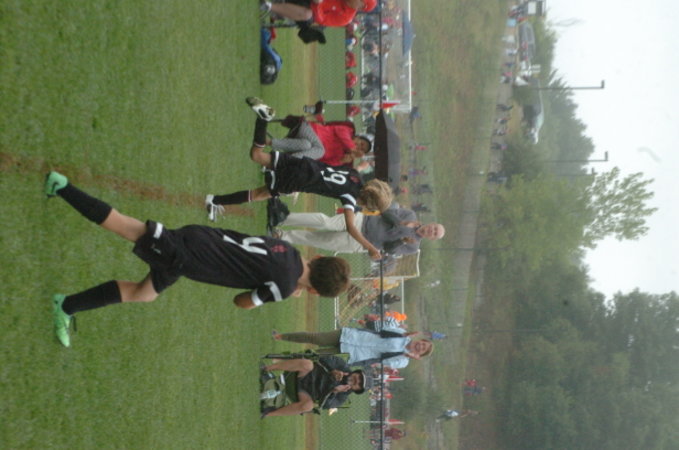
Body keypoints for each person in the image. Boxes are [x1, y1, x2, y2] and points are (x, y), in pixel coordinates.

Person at [43, 171, 352, 347]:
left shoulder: (290, 252)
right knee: (126, 226)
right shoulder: (283, 286)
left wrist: (289, 284)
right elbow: (242, 302)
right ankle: (61, 186)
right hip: (191, 257)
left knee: (145, 293)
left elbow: (261, 260)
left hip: (202, 239)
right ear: (314, 292)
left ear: (319, 257)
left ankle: (67, 305)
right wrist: (283, 291)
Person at [205, 98, 394, 260]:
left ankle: (263, 119)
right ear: (368, 203)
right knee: (259, 194)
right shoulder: (351, 197)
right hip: (299, 179)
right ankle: (215, 201)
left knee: (257, 156)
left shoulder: (354, 175)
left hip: (304, 163)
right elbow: (351, 228)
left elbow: (336, 170)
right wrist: (370, 248)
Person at [274, 207, 445, 256]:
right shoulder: (410, 215)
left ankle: (282, 235)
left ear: (431, 239)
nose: (431, 231)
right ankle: (283, 218)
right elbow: (386, 212)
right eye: (434, 228)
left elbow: (388, 249)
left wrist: (402, 240)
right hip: (361, 221)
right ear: (432, 223)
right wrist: (402, 224)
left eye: (434, 234)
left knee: (318, 239)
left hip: (360, 243)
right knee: (326, 222)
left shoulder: (413, 247)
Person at [272, 326, 434, 369]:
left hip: (353, 354)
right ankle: (281, 336)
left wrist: (404, 355)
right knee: (316, 338)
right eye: (422, 343)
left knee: (315, 356)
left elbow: (385, 362)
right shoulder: (403, 334)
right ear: (420, 339)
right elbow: (383, 329)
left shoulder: (403, 361)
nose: (420, 346)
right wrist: (404, 333)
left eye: (422, 349)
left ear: (419, 355)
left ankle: (281, 359)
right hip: (352, 336)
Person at [261, 355, 371, 417]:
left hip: (306, 393)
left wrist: (334, 391)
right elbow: (322, 359)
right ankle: (266, 369)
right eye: (360, 377)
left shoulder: (342, 397)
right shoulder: (342, 364)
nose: (357, 381)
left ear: (357, 390)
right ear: (357, 372)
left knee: (308, 406)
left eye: (359, 384)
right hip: (306, 374)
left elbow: (324, 405)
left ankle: (269, 413)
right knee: (308, 364)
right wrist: (332, 371)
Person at [267, 114, 373, 166]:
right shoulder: (348, 131)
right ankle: (283, 163)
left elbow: (324, 163)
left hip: (307, 147)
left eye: (361, 149)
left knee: (306, 145)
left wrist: (341, 161)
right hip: (308, 129)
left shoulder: (344, 155)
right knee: (320, 150)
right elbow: (342, 135)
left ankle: (268, 142)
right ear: (358, 137)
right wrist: (352, 148)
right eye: (361, 144)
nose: (359, 147)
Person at [262, 0, 377, 27]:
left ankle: (269, 6)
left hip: (313, 11)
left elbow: (322, 20)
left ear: (361, 6)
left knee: (307, 15)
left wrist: (318, 4)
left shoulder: (346, 18)